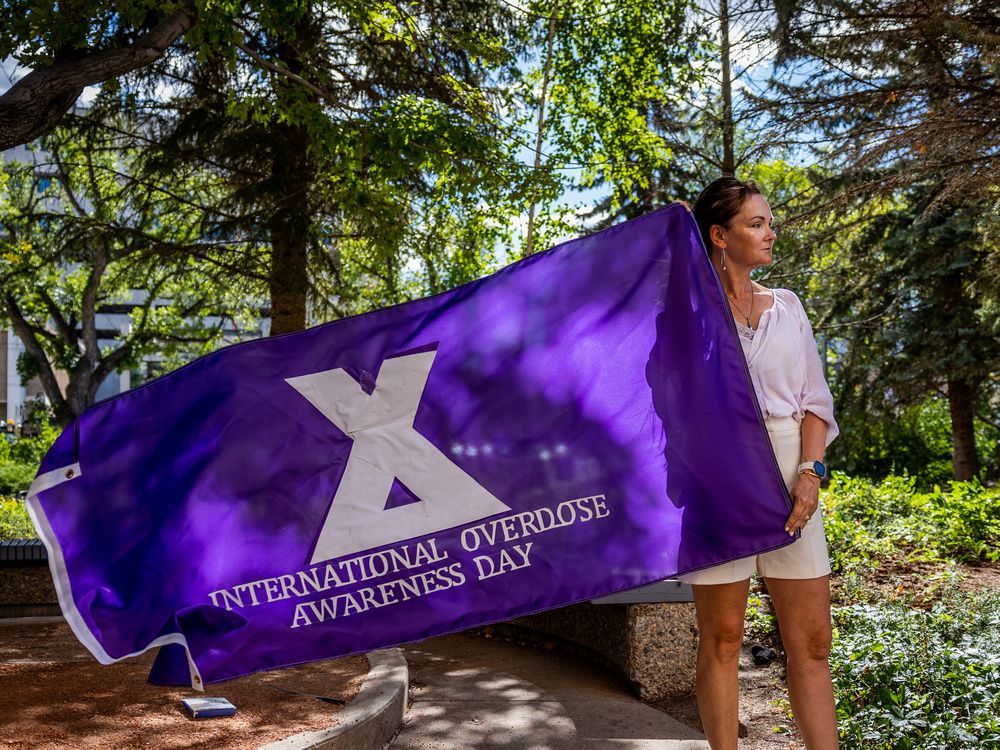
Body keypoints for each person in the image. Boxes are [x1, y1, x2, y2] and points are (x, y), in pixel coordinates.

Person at [679, 177, 840, 750]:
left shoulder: (789, 307)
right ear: (719, 236)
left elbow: (815, 401)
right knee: (722, 638)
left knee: (813, 641)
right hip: (717, 481)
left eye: (769, 222)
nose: (771, 233)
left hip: (794, 477)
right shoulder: (685, 315)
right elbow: (661, 399)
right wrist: (668, 240)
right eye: (756, 223)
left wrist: (810, 474)